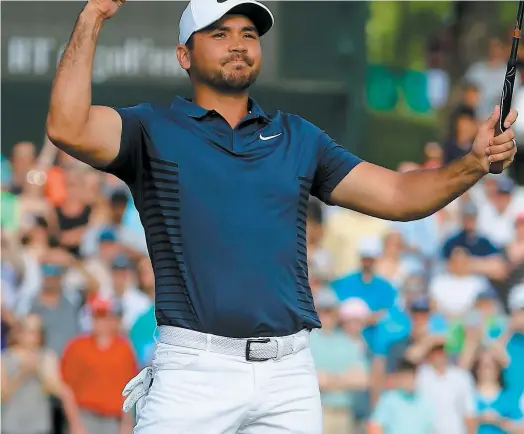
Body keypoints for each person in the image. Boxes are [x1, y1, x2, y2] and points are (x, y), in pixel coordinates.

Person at [45, 0, 518, 432]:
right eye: (219, 33)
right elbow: (67, 125)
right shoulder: (152, 129)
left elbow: (397, 194)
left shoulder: (298, 138)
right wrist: (92, 17)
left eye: (249, 34)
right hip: (193, 373)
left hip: (288, 375)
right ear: (184, 56)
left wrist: (473, 164)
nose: (238, 44)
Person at [367, 359, 434, 434]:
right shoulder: (388, 399)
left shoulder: (424, 401)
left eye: (411, 377)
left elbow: (430, 428)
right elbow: (375, 426)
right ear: (399, 378)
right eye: (405, 378)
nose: (409, 381)